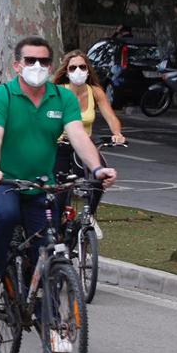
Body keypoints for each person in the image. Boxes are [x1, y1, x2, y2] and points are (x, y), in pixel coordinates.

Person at [0, 37, 118, 302]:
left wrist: (98, 169)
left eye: (43, 61)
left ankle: (52, 323)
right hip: (2, 180)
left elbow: (78, 136)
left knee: (48, 243)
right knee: (6, 216)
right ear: (17, 65)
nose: (37, 66)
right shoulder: (2, 96)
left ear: (51, 65)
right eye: (30, 61)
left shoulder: (62, 97)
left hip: (41, 182)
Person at [51, 49, 126, 229]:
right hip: (61, 145)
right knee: (59, 192)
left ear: (88, 69)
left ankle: (89, 215)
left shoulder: (95, 92)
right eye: (73, 67)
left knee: (101, 177)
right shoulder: (58, 91)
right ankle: (57, 232)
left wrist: (117, 134)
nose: (78, 71)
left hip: (84, 146)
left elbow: (111, 117)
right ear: (66, 71)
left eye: (82, 67)